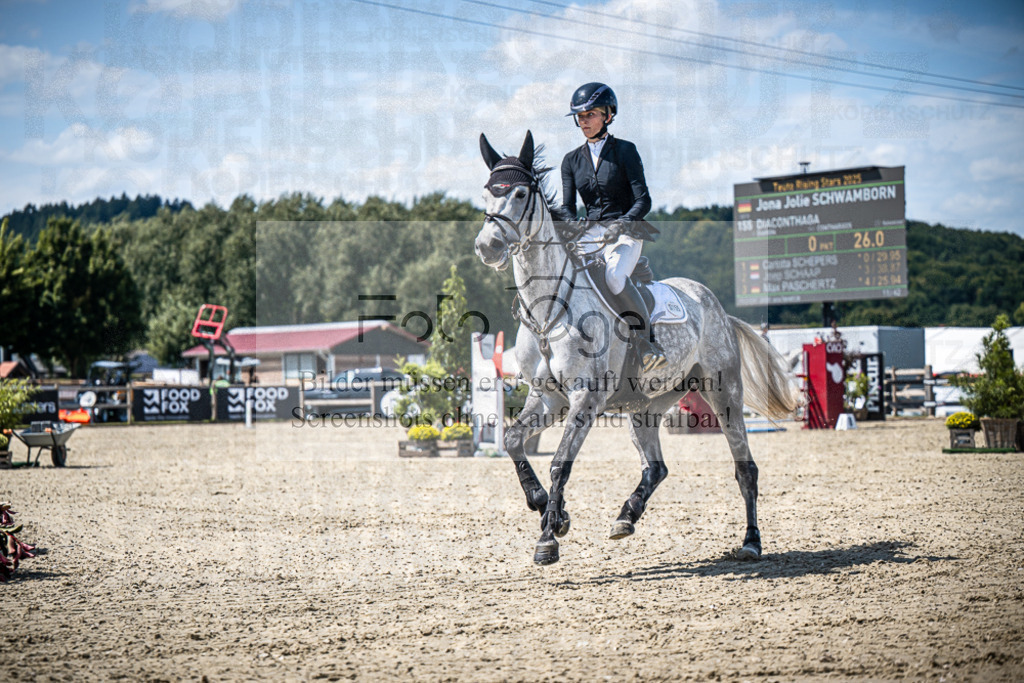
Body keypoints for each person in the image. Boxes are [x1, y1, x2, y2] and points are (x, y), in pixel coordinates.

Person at [556, 82, 666, 371]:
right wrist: (571, 225)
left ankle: (647, 344)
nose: (584, 122)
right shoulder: (570, 161)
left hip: (627, 231)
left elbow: (643, 200)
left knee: (615, 278)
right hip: (590, 234)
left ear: (607, 114)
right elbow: (567, 207)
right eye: (579, 117)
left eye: (590, 115)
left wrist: (624, 222)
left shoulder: (626, 151)